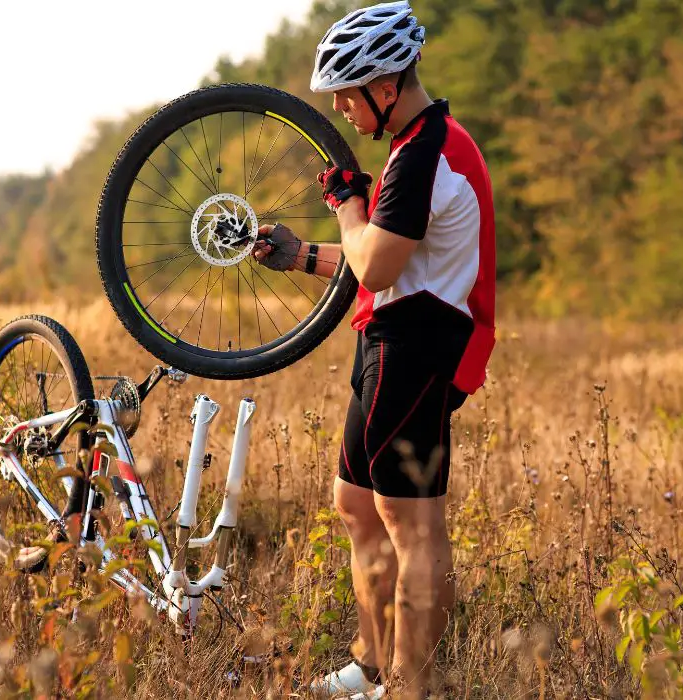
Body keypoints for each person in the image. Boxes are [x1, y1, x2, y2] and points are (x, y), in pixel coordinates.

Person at [253, 1, 495, 697]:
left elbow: (382, 265)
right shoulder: (418, 145)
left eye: (346, 92)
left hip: (418, 346)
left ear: (385, 88)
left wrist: (346, 205)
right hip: (391, 338)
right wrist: (302, 257)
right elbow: (386, 259)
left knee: (411, 524)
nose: (339, 106)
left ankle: (411, 685)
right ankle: (371, 664)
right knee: (357, 504)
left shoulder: (426, 152)